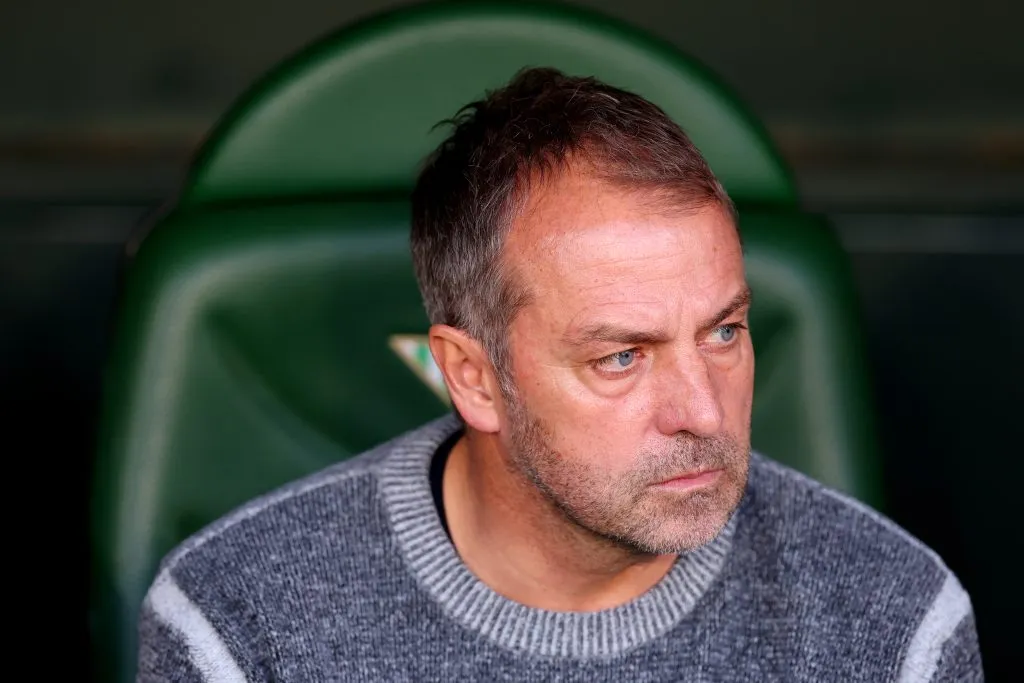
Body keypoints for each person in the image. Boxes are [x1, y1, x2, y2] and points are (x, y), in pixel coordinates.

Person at [137, 67, 983, 682]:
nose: (701, 410)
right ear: (471, 376)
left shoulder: (892, 622)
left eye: (724, 331)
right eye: (622, 355)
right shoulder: (240, 628)